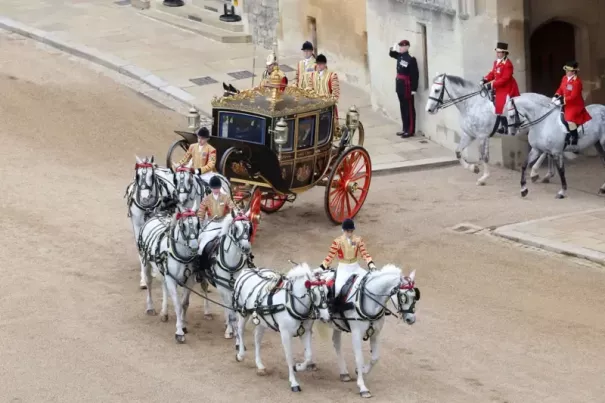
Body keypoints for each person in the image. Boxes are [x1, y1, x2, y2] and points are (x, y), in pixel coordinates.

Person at [319, 218, 376, 302]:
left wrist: (371, 264)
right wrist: (322, 267)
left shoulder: (358, 240)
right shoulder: (337, 241)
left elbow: (364, 253)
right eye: (347, 231)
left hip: (355, 267)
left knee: (369, 282)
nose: (349, 233)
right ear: (343, 230)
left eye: (351, 231)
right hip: (343, 268)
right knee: (338, 288)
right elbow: (330, 256)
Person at [480, 42, 520, 135]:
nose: (497, 54)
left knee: (502, 105)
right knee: (496, 105)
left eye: (499, 52)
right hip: (499, 86)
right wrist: (485, 79)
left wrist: (491, 85)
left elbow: (504, 79)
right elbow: (492, 74)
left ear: (504, 53)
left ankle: (506, 126)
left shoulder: (508, 64)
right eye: (497, 52)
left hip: (507, 87)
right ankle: (501, 124)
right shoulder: (496, 62)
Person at [552, 61, 591, 150]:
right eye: (566, 70)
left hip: (575, 104)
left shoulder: (577, 82)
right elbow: (560, 88)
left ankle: (574, 137)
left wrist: (561, 101)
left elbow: (573, 96)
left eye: (568, 70)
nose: (566, 72)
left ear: (573, 71)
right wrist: (556, 96)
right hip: (566, 103)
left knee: (569, 119)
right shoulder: (564, 78)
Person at [389, 39, 419, 138]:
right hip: (400, 86)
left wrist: (414, 89)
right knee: (402, 108)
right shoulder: (399, 56)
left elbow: (415, 75)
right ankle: (404, 128)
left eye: (402, 46)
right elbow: (391, 54)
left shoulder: (411, 59)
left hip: (407, 87)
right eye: (400, 46)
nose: (400, 48)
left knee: (409, 109)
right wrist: (392, 48)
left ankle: (410, 130)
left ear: (407, 47)